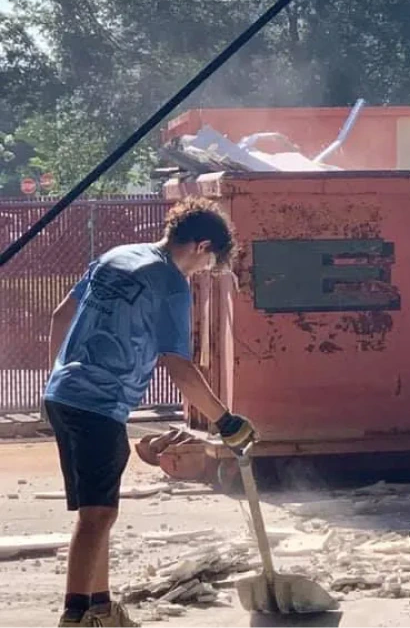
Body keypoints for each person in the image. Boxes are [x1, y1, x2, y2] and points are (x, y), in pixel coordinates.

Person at [42, 196, 256, 628]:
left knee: (97, 510)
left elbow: (62, 313)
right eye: (209, 261)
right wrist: (225, 420)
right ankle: (76, 617)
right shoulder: (171, 284)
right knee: (97, 516)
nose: (204, 271)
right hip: (98, 403)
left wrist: (59, 376)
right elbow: (178, 365)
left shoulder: (116, 255)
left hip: (64, 396)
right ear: (200, 246)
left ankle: (103, 609)